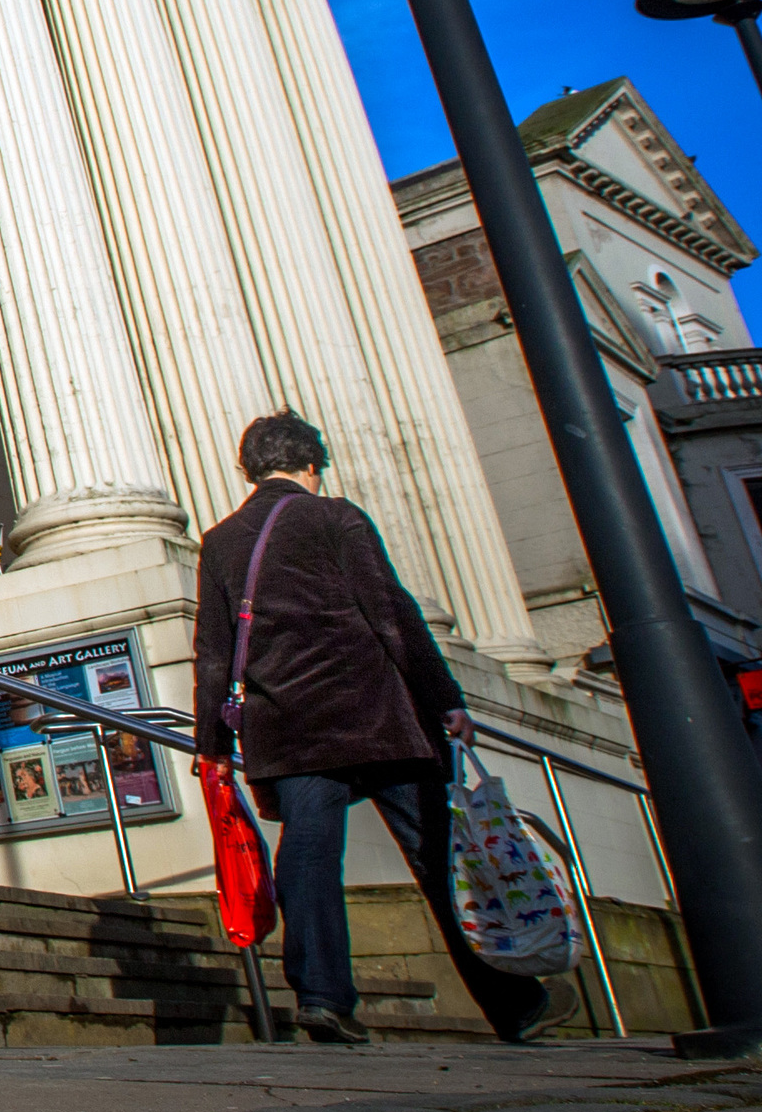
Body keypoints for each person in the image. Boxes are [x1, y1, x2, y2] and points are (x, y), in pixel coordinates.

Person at [193, 411, 581, 1046]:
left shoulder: (223, 539)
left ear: (248, 470)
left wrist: (212, 744)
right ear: (312, 465)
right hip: (374, 714)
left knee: (310, 854)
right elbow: (393, 612)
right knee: (438, 858)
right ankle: (512, 1002)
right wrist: (445, 699)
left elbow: (212, 649)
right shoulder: (336, 516)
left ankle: (323, 998)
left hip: (288, 727)